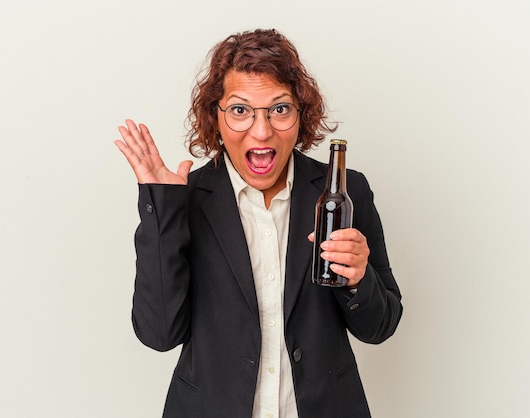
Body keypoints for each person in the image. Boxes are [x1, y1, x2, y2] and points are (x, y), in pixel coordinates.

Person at [115, 28, 402, 418]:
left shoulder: (347, 193)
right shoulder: (188, 199)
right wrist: (162, 211)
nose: (262, 130)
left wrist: (358, 277)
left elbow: (380, 326)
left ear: (301, 114)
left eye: (280, 109)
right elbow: (159, 334)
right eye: (240, 110)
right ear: (215, 117)